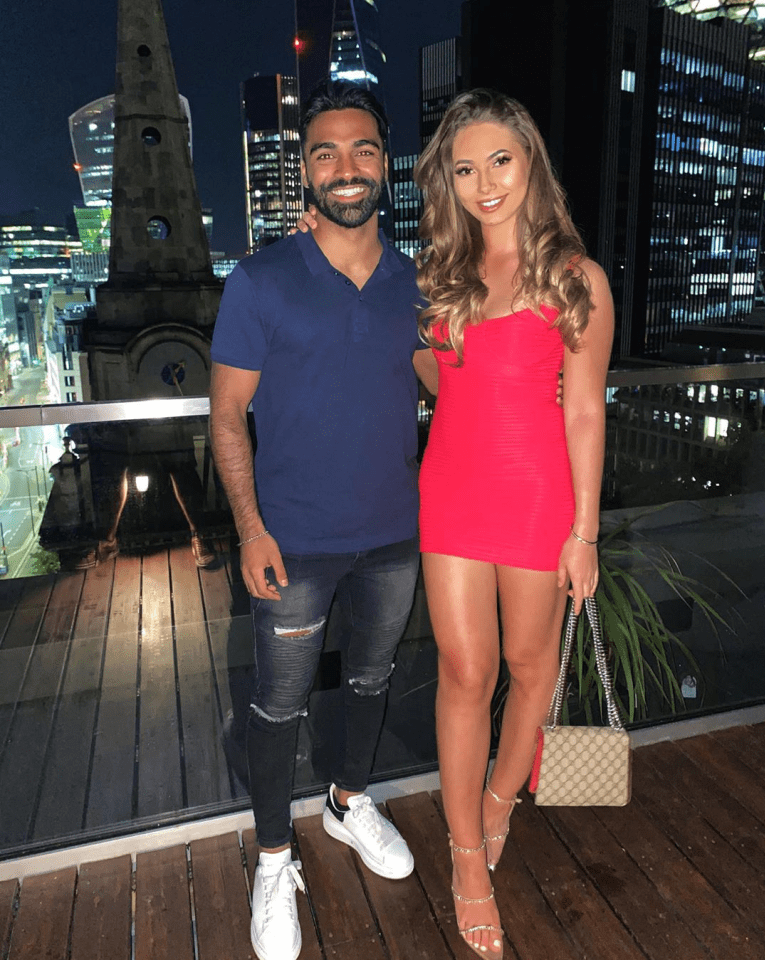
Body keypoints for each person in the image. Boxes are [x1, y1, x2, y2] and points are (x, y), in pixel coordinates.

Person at [209, 81, 436, 960]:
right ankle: (272, 858)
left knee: (372, 683)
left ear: (387, 166)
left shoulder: (414, 280)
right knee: (278, 704)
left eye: (363, 150)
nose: (346, 168)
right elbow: (228, 417)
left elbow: (443, 382)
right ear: (302, 172)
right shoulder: (261, 279)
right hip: (293, 540)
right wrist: (250, 527)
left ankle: (347, 801)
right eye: (325, 153)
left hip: (392, 533)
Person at [414, 90, 614, 960]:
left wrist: (584, 533)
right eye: (464, 169)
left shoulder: (575, 277)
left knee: (530, 668)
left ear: (529, 161)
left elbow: (583, 414)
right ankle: (465, 859)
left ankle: (500, 796)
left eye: (499, 160)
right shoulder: (438, 272)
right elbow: (432, 373)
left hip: (537, 495)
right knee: (466, 669)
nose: (483, 182)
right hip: (451, 488)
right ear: (446, 182)